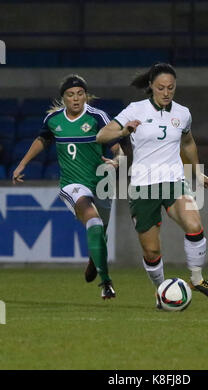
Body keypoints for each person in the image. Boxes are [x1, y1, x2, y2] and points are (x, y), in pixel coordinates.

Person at [96, 63, 208, 308]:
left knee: (194, 223)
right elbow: (101, 135)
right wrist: (124, 130)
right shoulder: (136, 110)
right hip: (143, 187)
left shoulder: (183, 113)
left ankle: (197, 280)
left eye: (171, 88)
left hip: (173, 182)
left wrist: (197, 171)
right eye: (161, 88)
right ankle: (162, 292)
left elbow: (187, 142)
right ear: (151, 87)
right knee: (152, 252)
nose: (166, 93)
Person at [12, 74, 129, 300]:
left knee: (99, 231)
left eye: (80, 94)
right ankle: (106, 282)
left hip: (102, 183)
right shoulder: (53, 120)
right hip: (73, 185)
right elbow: (42, 140)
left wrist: (118, 161)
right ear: (63, 98)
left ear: (86, 96)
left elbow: (116, 146)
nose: (76, 99)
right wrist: (22, 164)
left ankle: (94, 260)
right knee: (93, 221)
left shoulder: (98, 116)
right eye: (70, 95)